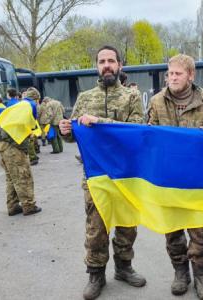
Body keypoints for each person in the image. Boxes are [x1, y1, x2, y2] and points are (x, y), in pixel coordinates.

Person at [59, 45, 145, 300]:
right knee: (96, 227)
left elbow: (137, 131)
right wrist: (66, 130)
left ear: (119, 65)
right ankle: (96, 274)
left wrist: (101, 122)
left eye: (111, 61)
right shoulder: (85, 98)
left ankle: (124, 267)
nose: (106, 65)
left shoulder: (131, 98)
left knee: (127, 225)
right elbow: (74, 137)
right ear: (97, 66)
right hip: (95, 176)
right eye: (102, 61)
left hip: (127, 174)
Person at [147, 54, 203, 300]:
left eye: (177, 73)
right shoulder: (156, 102)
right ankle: (180, 273)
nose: (172, 78)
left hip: (197, 180)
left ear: (190, 75)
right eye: (170, 74)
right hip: (166, 178)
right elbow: (147, 136)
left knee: (200, 232)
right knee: (172, 230)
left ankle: (201, 276)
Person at [0, 88, 42, 217]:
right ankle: (29, 206)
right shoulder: (29, 105)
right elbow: (32, 126)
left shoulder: (17, 106)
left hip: (0, 145)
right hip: (11, 146)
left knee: (11, 177)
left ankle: (13, 206)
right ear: (37, 99)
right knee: (23, 175)